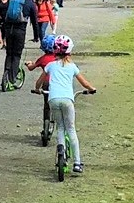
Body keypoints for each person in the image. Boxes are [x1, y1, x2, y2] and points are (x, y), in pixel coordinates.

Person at [34, 35, 96, 174]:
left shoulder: (50, 66)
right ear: (69, 52)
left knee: (60, 127)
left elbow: (38, 82)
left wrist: (38, 89)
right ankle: (77, 162)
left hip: (53, 99)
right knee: (71, 129)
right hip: (67, 100)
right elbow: (84, 83)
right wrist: (92, 89)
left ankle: (61, 149)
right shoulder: (72, 67)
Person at [1, 0, 38, 91]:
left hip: (9, 29)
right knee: (17, 55)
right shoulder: (30, 3)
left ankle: (5, 76)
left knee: (9, 54)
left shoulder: (12, 0)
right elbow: (35, 22)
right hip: (20, 31)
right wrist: (36, 37)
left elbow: (5, 15)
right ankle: (12, 79)